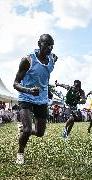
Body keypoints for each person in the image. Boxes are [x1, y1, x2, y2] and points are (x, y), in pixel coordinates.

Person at [13, 34, 58, 164]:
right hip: (26, 97)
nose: (49, 48)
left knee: (39, 133)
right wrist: (29, 90)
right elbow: (15, 83)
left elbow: (45, 76)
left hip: (41, 99)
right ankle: (20, 153)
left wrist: (47, 91)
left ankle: (22, 129)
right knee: (27, 130)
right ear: (39, 44)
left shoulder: (52, 59)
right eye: (46, 44)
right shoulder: (28, 60)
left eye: (51, 45)